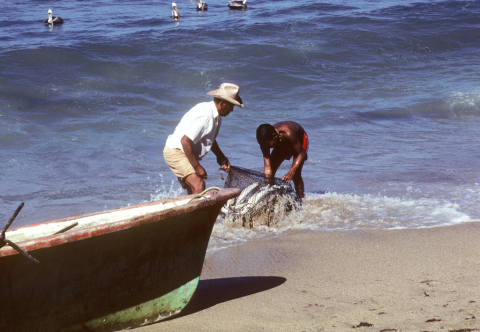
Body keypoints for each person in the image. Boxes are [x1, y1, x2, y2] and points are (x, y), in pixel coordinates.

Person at [164, 83, 244, 194]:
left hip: (184, 151)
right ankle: (196, 211)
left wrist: (221, 157)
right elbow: (185, 141)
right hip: (176, 151)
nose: (231, 110)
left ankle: (190, 209)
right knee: (199, 184)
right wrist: (197, 167)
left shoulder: (216, 116)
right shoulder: (206, 116)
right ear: (222, 103)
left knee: (193, 189)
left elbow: (209, 139)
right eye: (231, 106)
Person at [256, 121, 308, 198]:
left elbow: (301, 154)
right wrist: (267, 182)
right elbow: (267, 166)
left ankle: (301, 199)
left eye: (268, 144)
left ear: (274, 136)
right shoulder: (264, 142)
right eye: (263, 145)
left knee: (296, 174)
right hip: (281, 142)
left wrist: (290, 172)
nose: (266, 147)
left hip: (299, 140)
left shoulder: (288, 133)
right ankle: (273, 197)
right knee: (270, 173)